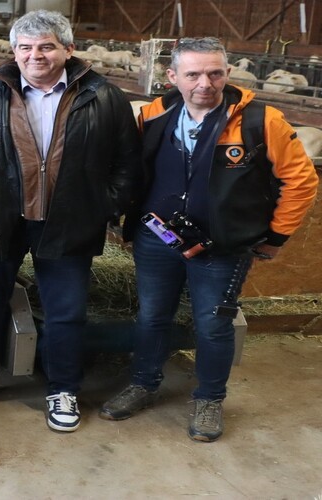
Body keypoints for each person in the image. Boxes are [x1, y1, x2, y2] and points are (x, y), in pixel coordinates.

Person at [101, 37, 318, 442]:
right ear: (173, 76)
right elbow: (130, 166)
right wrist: (119, 214)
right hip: (158, 237)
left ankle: (209, 398)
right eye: (194, 74)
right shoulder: (153, 114)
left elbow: (301, 181)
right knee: (151, 316)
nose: (206, 82)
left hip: (223, 246)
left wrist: (276, 235)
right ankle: (143, 383)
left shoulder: (260, 121)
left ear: (228, 73)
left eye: (215, 73)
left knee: (213, 323)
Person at [0, 10, 141, 432]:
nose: (35, 56)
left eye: (46, 46)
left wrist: (100, 206)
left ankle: (62, 388)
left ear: (68, 49)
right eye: (25, 48)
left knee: (66, 311)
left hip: (69, 221)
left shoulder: (104, 97)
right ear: (13, 51)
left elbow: (128, 164)